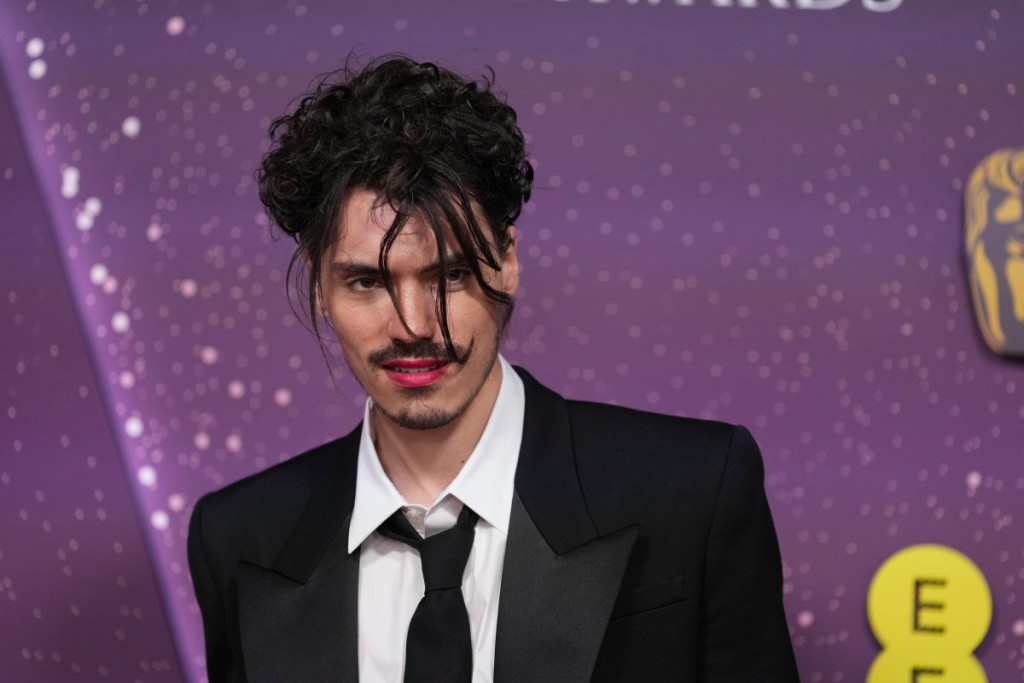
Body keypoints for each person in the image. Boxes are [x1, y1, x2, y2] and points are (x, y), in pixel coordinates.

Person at [187, 55, 800, 682]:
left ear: (506, 262)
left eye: (451, 275)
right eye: (367, 282)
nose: (414, 327)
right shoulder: (239, 539)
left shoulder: (692, 490)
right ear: (320, 286)